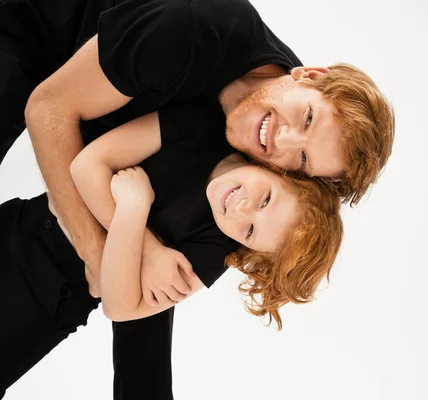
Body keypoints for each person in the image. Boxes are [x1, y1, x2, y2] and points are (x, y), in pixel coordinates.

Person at [1, 0, 395, 397]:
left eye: (304, 158)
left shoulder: (262, 184)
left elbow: (150, 284)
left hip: (101, 137)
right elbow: (49, 106)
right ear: (308, 75)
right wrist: (104, 255)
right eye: (308, 118)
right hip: (35, 31)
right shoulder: (194, 28)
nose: (283, 139)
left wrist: (142, 256)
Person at [0, 102, 343, 396]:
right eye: (266, 198)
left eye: (251, 231)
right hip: (20, 228)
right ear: (281, 171)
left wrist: (133, 213)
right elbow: (86, 165)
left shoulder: (217, 245)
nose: (241, 211)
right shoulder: (202, 125)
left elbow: (120, 306)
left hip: (51, 302)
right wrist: (146, 249)